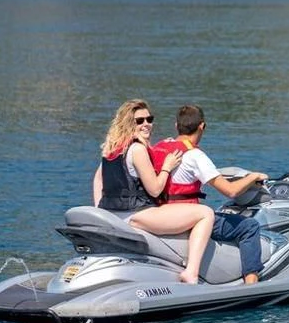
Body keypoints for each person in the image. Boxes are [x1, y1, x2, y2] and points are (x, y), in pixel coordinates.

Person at [90, 100, 217, 284]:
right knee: (205, 213)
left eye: (149, 119)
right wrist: (167, 167)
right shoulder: (138, 149)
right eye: (139, 121)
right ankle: (191, 272)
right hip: (137, 214)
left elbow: (98, 179)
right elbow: (155, 189)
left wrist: (101, 209)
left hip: (114, 215)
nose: (146, 124)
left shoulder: (111, 148)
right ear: (128, 123)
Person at [149, 104, 268, 285]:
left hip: (160, 214)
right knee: (249, 227)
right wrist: (253, 177)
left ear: (176, 126)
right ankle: (251, 283)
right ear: (202, 126)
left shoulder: (160, 146)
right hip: (187, 218)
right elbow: (231, 191)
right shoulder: (195, 156)